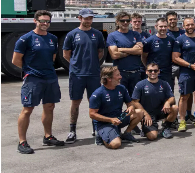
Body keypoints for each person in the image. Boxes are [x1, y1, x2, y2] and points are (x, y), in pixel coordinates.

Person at [12, 10, 64, 154]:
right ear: (35, 21)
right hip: (33, 79)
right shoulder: (26, 39)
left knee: (49, 107)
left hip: (50, 77)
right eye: (42, 21)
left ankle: (48, 136)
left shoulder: (53, 38)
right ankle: (22, 142)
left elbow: (52, 58)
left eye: (48, 21)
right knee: (27, 109)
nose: (45, 23)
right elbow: (15, 60)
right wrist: (30, 70)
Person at [62, 8, 105, 143]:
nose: (88, 21)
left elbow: (100, 52)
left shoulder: (97, 34)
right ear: (79, 18)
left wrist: (93, 64)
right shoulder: (72, 34)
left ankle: (96, 128)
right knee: (75, 102)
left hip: (93, 74)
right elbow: (66, 54)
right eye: (86, 18)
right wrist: (76, 64)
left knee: (94, 102)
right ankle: (72, 131)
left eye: (90, 18)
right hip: (77, 75)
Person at [89, 66, 145, 149]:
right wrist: (110, 120)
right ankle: (102, 137)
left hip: (118, 119)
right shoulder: (98, 94)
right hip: (104, 123)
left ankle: (126, 133)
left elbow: (130, 103)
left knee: (139, 112)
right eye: (118, 75)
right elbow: (92, 114)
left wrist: (131, 107)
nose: (120, 77)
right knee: (116, 144)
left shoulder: (121, 88)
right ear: (109, 78)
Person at [172, 17, 195, 131]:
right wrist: (190, 65)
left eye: (192, 24)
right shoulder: (179, 39)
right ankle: (182, 121)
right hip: (186, 72)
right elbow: (175, 58)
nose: (190, 27)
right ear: (183, 26)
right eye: (187, 25)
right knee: (184, 96)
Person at [131, 63, 177, 140]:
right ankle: (146, 129)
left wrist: (168, 102)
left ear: (159, 71)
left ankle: (165, 128)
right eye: (150, 71)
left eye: (155, 71)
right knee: (152, 137)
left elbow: (172, 98)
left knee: (175, 108)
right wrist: (145, 114)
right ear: (146, 72)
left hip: (161, 110)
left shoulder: (164, 84)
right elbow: (135, 102)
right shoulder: (140, 84)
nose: (153, 72)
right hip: (148, 113)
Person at [106, 11, 143, 96]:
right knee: (119, 98)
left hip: (135, 73)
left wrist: (121, 49)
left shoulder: (136, 34)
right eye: (122, 21)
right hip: (120, 74)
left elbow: (140, 51)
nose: (125, 22)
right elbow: (114, 55)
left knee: (135, 99)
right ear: (117, 22)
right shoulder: (112, 36)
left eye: (127, 20)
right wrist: (132, 50)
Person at [142, 17, 175, 86]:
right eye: (161, 26)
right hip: (153, 73)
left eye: (165, 26)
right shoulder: (149, 41)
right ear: (156, 27)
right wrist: (150, 68)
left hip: (167, 73)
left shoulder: (171, 40)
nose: (163, 28)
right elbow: (144, 57)